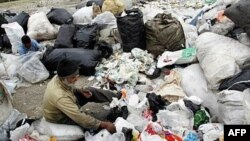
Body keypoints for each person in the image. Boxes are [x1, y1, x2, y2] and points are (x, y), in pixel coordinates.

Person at [43, 59, 119, 133]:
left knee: (90, 90)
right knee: (87, 128)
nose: (76, 79)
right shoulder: (60, 96)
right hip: (61, 118)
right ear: (62, 78)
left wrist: (79, 91)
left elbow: (68, 87)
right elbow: (79, 117)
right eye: (73, 77)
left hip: (68, 102)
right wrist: (103, 124)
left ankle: (117, 98)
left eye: (77, 75)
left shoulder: (59, 77)